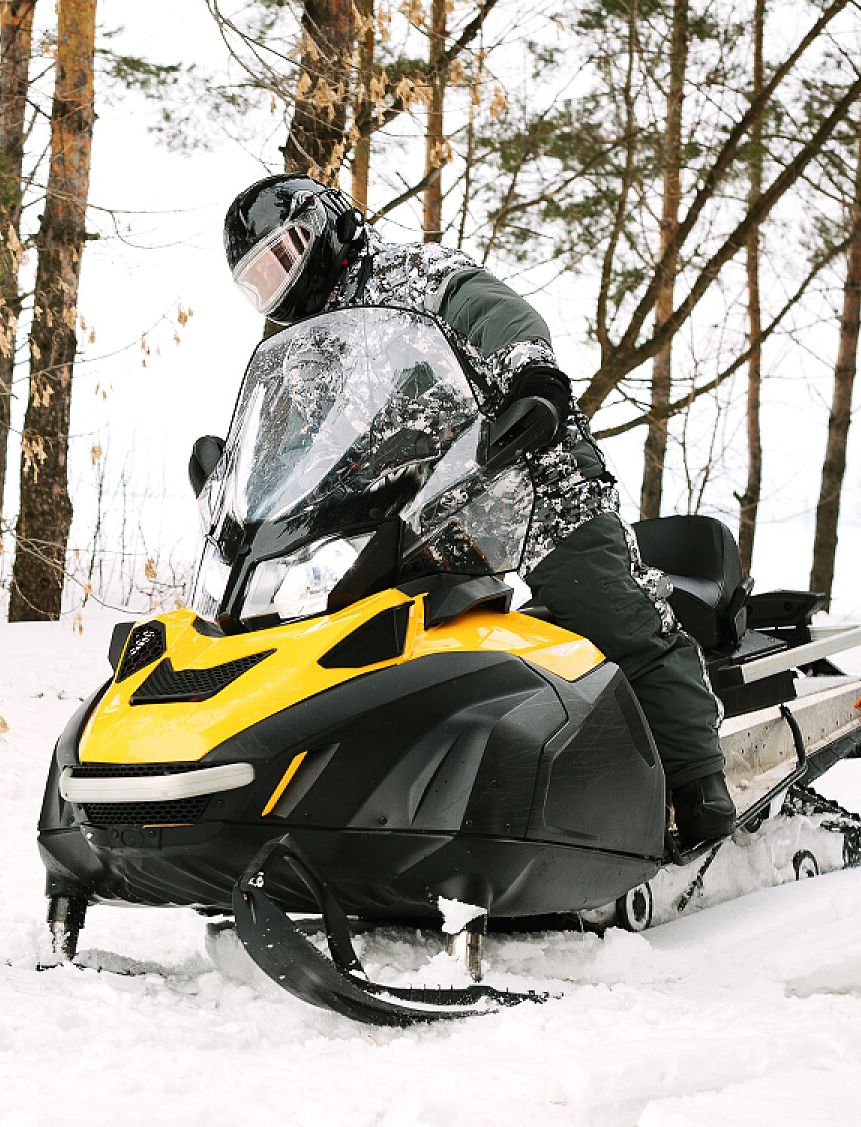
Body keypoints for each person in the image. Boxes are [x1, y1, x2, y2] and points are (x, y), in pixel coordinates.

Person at [223, 173, 736, 843]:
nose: (280, 284)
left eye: (283, 257)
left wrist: (535, 379)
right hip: (423, 522)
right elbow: (294, 448)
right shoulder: (308, 353)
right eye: (261, 279)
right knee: (359, 652)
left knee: (608, 607)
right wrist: (247, 498)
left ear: (324, 227)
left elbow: (500, 317)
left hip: (532, 476)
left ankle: (701, 788)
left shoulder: (419, 274)